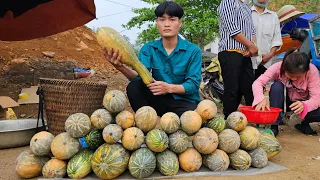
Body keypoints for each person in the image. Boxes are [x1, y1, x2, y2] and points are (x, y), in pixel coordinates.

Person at [103, 1, 202, 117]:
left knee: (192, 121)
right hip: (158, 101)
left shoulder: (193, 51)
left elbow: (193, 85)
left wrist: (168, 88)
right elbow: (139, 77)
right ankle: (146, 122)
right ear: (157, 22)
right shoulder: (148, 48)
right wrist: (119, 66)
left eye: (172, 19)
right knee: (134, 87)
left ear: (180, 23)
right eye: (162, 19)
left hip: (184, 102)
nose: (166, 24)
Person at [253, 49, 320, 136]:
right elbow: (258, 82)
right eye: (291, 75)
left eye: (299, 76)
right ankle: (274, 126)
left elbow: (317, 98)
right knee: (277, 86)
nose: (294, 79)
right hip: (286, 103)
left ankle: (302, 123)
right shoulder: (278, 67)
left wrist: (305, 105)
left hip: (302, 105)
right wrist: (260, 98)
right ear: (285, 68)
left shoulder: (312, 71)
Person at [217, 0, 258, 118]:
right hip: (230, 51)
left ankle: (253, 119)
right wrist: (251, 46)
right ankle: (228, 120)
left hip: (246, 54)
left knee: (249, 86)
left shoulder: (246, 6)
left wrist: (253, 47)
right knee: (232, 88)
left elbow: (252, 30)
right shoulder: (227, 2)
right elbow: (233, 30)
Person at [251, 0, 282, 79]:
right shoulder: (247, 13)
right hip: (248, 59)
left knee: (259, 87)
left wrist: (270, 54)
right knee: (245, 88)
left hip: (265, 61)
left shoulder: (273, 16)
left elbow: (276, 38)